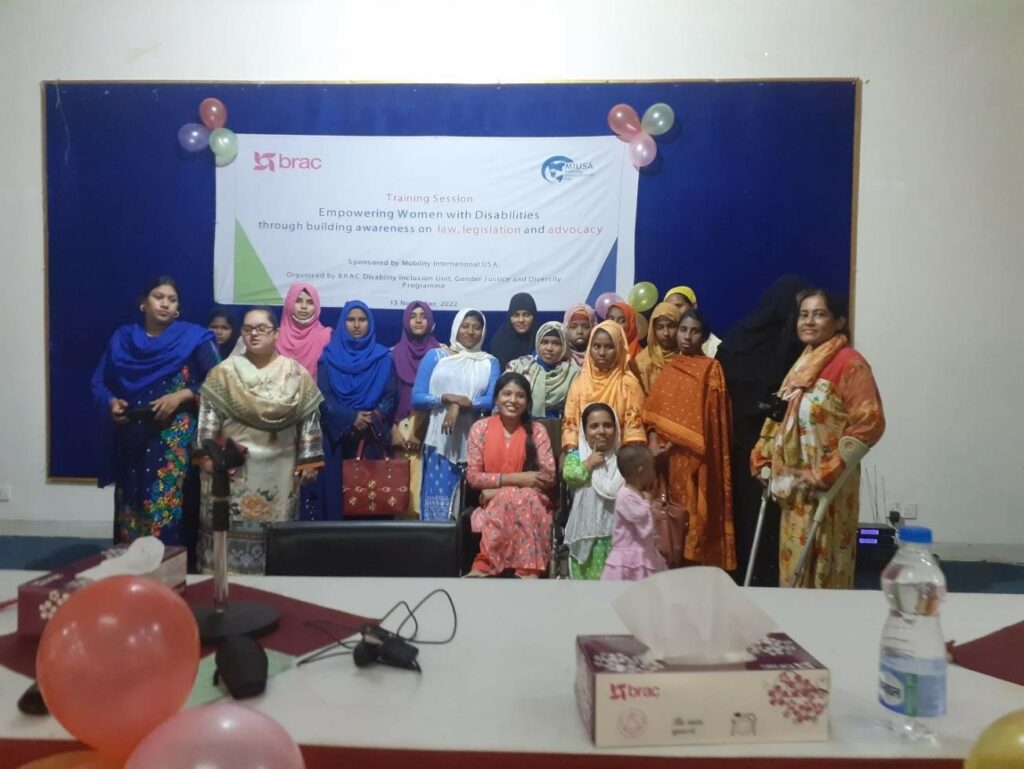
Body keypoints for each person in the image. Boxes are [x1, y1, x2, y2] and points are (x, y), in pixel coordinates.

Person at [751, 289, 885, 589]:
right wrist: (762, 455)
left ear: (839, 321)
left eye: (819, 314)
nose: (809, 321)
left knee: (826, 567)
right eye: (804, 314)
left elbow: (870, 422)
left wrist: (825, 472)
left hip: (829, 489)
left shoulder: (850, 364)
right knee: (793, 570)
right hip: (795, 487)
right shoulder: (801, 365)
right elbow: (782, 414)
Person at [91, 277, 220, 549]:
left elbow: (219, 381)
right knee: (132, 498)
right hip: (131, 432)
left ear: (178, 308)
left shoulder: (195, 338)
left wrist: (182, 395)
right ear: (143, 303)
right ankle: (130, 565)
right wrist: (111, 403)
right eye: (158, 297)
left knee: (165, 501)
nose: (165, 304)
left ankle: (169, 565)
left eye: (172, 300)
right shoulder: (123, 339)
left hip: (173, 436)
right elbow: (100, 383)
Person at [194, 307, 324, 574]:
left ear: (276, 333)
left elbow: (310, 417)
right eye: (248, 329)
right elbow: (208, 418)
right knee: (226, 541)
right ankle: (224, 585)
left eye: (262, 328)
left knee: (276, 540)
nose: (254, 334)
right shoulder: (224, 373)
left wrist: (309, 460)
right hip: (232, 469)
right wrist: (207, 457)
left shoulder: (295, 373)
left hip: (281, 470)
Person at [715, 274, 809, 585]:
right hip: (765, 444)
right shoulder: (788, 346)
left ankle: (750, 578)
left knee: (753, 513)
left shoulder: (742, 339)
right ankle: (762, 579)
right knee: (759, 514)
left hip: (749, 442)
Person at [644, 308, 736, 570]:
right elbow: (653, 415)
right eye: (682, 329)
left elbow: (714, 416)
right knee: (673, 518)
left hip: (699, 456)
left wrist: (683, 439)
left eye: (694, 331)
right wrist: (655, 444)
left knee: (697, 516)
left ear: (704, 336)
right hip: (670, 460)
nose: (686, 336)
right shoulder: (670, 369)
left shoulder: (712, 369)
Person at [465, 372, 557, 577]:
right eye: (506, 394)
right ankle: (524, 568)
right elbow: (473, 477)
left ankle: (488, 564)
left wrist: (497, 490)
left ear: (528, 402)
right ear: (496, 398)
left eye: (520, 395)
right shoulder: (480, 429)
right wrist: (518, 479)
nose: (513, 400)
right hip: (491, 502)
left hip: (533, 500)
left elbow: (549, 476)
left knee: (518, 496)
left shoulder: (537, 431)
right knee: (510, 496)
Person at [413, 308, 500, 522]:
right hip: (439, 443)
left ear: (483, 332)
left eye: (476, 327)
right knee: (437, 512)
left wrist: (461, 405)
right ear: (456, 328)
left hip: (475, 443)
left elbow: (491, 400)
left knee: (468, 512)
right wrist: (448, 399)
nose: (470, 331)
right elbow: (417, 397)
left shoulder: (489, 362)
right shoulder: (436, 356)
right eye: (465, 326)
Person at [317, 301, 398, 520]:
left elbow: (391, 395)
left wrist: (370, 417)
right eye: (350, 320)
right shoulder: (328, 358)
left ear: (369, 324)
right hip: (337, 441)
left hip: (371, 439)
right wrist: (351, 417)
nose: (356, 325)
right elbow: (323, 397)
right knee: (337, 503)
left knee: (372, 504)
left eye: (362, 320)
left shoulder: (383, 358)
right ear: (342, 323)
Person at [561, 321, 646, 454]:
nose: (601, 352)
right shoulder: (579, 384)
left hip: (621, 454)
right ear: (590, 348)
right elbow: (571, 428)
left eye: (609, 347)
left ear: (619, 348)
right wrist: (574, 458)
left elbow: (633, 433)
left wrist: (622, 461)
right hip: (584, 455)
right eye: (596, 346)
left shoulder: (629, 385)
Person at [390, 301, 441, 518]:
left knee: (424, 491)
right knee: (400, 493)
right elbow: (386, 395)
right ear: (405, 321)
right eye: (413, 316)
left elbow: (441, 397)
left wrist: (420, 431)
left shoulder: (441, 355)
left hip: (432, 427)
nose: (418, 320)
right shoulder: (392, 354)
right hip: (399, 428)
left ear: (431, 321)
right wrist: (392, 430)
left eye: (423, 316)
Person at [563, 402, 624, 579]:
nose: (601, 431)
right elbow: (570, 476)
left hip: (617, 536)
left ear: (616, 428)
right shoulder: (576, 457)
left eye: (608, 425)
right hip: (586, 536)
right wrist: (589, 463)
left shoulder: (623, 459)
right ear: (584, 431)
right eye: (594, 426)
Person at [602, 445, 668, 581]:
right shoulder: (624, 495)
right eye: (652, 469)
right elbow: (640, 521)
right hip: (630, 560)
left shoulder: (639, 494)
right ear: (641, 471)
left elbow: (645, 515)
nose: (654, 473)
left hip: (645, 554)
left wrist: (654, 510)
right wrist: (648, 502)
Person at [506, 321, 580, 419]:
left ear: (564, 346)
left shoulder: (573, 373)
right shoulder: (519, 366)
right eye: (544, 342)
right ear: (538, 343)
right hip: (520, 422)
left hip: (559, 425)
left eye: (556, 343)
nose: (549, 348)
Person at [276, 283, 332, 379]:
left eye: (310, 302)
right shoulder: (274, 337)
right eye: (298, 301)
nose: (304, 306)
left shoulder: (327, 336)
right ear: (289, 303)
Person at [631, 301, 682, 394]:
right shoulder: (642, 362)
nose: (666, 333)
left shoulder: (688, 357)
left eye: (671, 326)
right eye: (660, 327)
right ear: (653, 330)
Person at [665, 285, 722, 357]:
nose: (673, 311)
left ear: (694, 306)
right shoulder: (666, 339)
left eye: (678, 306)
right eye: (669, 307)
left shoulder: (714, 347)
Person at [489, 292, 537, 369]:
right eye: (516, 315)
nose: (521, 320)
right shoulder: (499, 343)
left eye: (526, 315)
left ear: (534, 316)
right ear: (510, 317)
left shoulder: (544, 341)